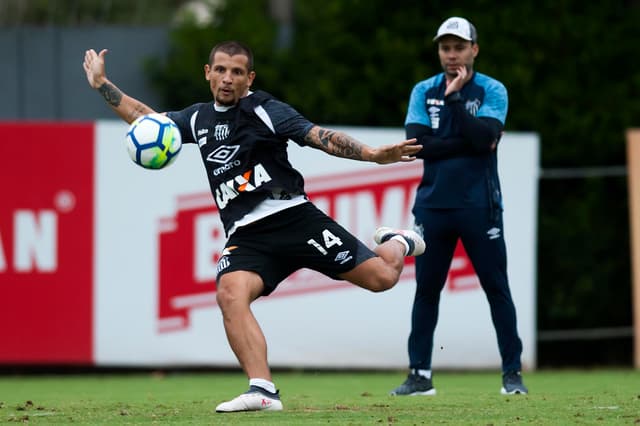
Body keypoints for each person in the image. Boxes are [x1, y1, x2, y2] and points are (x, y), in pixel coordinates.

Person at [83, 40, 426, 412]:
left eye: (236, 72)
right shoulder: (198, 119)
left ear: (249, 78)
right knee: (230, 293)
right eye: (221, 70)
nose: (227, 79)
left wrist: (372, 155)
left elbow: (319, 136)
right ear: (207, 73)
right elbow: (145, 117)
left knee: (383, 278)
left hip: (295, 219)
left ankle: (398, 241)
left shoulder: (266, 110)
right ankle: (263, 389)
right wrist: (102, 84)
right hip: (246, 236)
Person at [386, 17, 528, 396]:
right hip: (433, 206)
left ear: (474, 50)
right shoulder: (423, 89)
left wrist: (454, 101)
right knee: (427, 290)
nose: (452, 55)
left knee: (497, 288)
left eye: (459, 47)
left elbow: (482, 139)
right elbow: (417, 145)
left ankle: (512, 374)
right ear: (439, 51)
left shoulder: (492, 89)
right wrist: (471, 138)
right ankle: (419, 376)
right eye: (445, 48)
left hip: (480, 206)